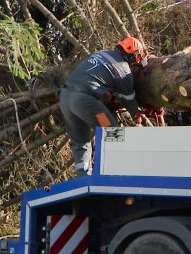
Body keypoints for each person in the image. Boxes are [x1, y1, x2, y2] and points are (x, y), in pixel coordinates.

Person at [59, 37, 147, 175]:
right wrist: (136, 114)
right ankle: (114, 172)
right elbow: (128, 98)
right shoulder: (123, 70)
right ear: (134, 55)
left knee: (80, 141)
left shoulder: (101, 54)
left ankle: (84, 177)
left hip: (65, 98)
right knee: (111, 131)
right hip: (84, 102)